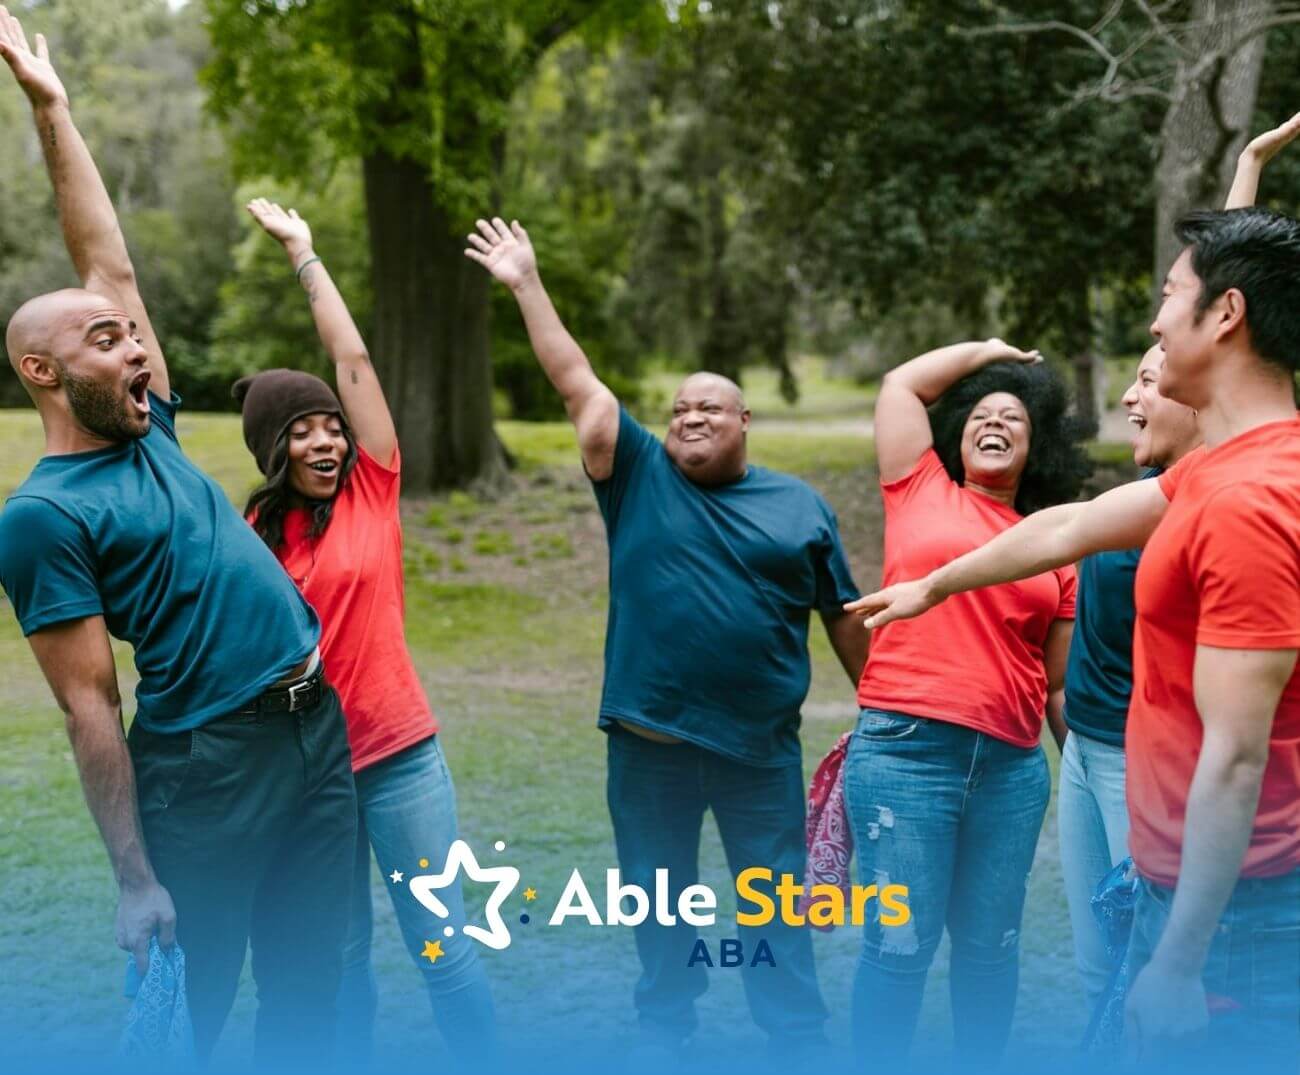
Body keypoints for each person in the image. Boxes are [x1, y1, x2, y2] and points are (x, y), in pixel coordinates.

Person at [850, 207, 1300, 1069]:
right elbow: (1071, 525)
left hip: (1233, 918)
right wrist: (934, 585)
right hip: (1196, 894)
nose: (1156, 324)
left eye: (1169, 296)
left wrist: (1179, 963)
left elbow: (1238, 755)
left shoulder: (1251, 498)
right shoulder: (1219, 469)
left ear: (1227, 314)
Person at [0, 11, 356, 1064]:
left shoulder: (147, 426)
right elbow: (89, 705)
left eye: (132, 335)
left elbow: (104, 260)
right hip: (207, 769)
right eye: (105, 340)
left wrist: (52, 108)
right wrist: (133, 877)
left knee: (311, 989)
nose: (136, 350)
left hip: (314, 728)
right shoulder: (43, 516)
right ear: (44, 372)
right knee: (194, 1010)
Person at [466, 217, 867, 1057]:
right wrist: (526, 283)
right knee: (656, 902)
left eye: (708, 407)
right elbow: (577, 382)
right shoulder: (638, 475)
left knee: (776, 905)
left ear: (744, 419)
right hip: (650, 750)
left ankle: (797, 1038)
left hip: (758, 752)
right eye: (679, 407)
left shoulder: (800, 506)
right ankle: (666, 1031)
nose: (689, 417)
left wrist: (884, 707)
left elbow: (842, 615)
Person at [234, 199, 496, 1063]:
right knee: (339, 961)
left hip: (398, 757)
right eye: (301, 432)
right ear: (273, 450)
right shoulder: (253, 534)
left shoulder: (372, 489)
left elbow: (351, 362)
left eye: (331, 428)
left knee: (445, 949)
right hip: (309, 774)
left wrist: (304, 254)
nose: (326, 442)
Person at [1057, 111, 1298, 1015]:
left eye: (1154, 369)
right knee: (1114, 983)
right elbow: (1223, 295)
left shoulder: (1232, 483)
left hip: (1190, 811)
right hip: (1113, 756)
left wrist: (1183, 961)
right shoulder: (1184, 474)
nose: (1143, 375)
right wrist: (1247, 169)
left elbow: (1227, 310)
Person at [840, 337, 1092, 1066]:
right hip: (904, 754)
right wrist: (987, 351)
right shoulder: (918, 486)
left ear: (1036, 446)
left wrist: (1087, 775)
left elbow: (1057, 685)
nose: (995, 422)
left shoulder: (1053, 544)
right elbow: (899, 384)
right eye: (981, 413)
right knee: (899, 947)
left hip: (1011, 771)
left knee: (990, 950)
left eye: (1014, 417)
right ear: (955, 435)